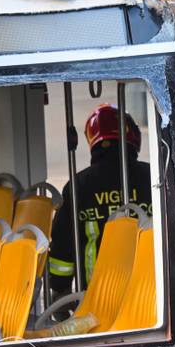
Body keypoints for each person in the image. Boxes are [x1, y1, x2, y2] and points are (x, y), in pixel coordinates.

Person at [48, 104, 151, 295]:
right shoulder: (155, 178)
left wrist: (59, 288)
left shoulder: (78, 185)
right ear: (133, 135)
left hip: (97, 299)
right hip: (150, 294)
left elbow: (63, 244)